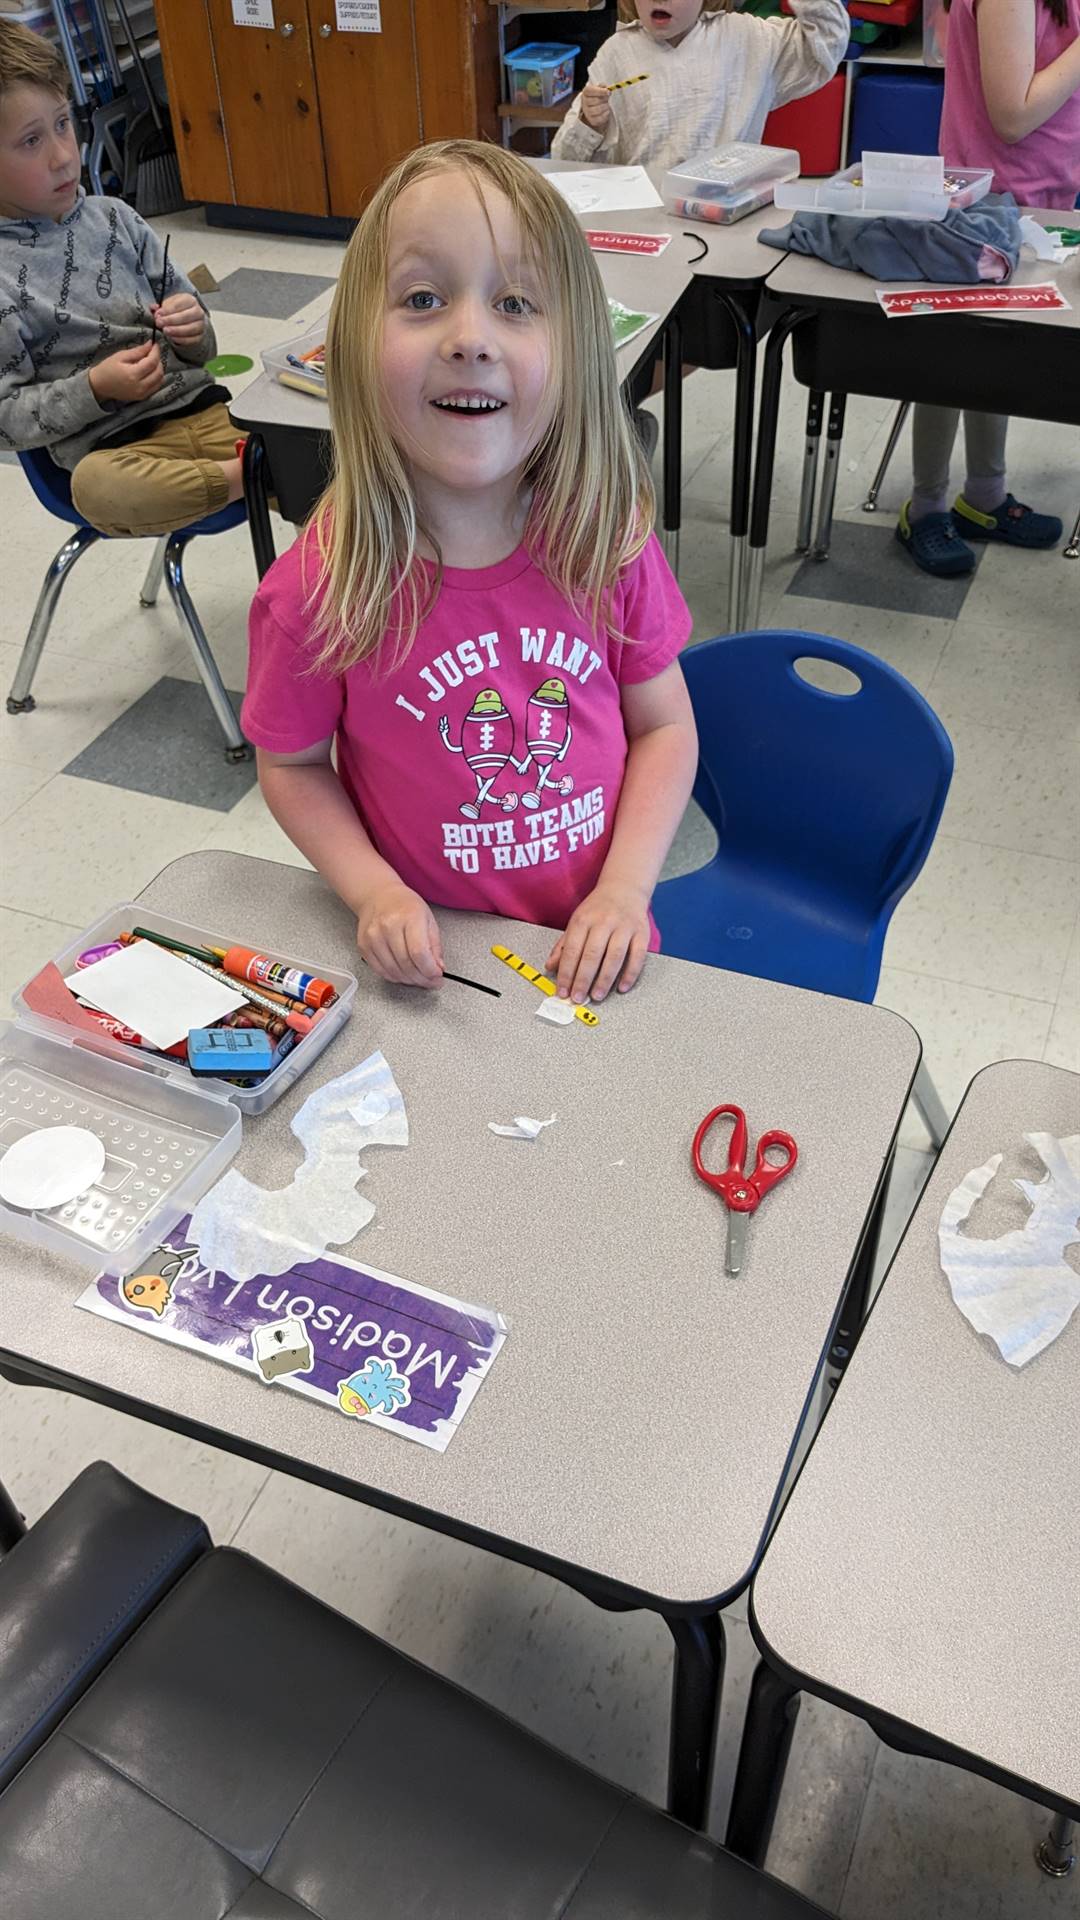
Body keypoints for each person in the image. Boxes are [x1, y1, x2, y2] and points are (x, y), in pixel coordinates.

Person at [243, 140, 698, 1007]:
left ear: (573, 350)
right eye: (422, 298)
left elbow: (666, 730)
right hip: (442, 974)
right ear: (353, 346)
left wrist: (627, 891)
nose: (469, 339)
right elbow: (293, 766)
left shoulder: (606, 538)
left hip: (601, 948)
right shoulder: (316, 589)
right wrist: (372, 892)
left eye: (516, 303)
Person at [0, 19, 242, 536]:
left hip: (207, 414)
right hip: (119, 453)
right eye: (30, 141)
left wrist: (194, 326)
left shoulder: (118, 220)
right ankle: (255, 474)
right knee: (99, 488)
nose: (64, 155)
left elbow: (204, 350)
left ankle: (259, 473)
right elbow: (7, 419)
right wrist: (95, 388)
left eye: (63, 124)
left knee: (340, 444)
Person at [897, 0, 1080, 575]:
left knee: (992, 356)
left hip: (1038, 198)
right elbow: (1012, 114)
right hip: (992, 206)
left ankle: (984, 497)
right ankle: (925, 508)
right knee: (952, 362)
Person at [551, 0, 850, 171]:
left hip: (728, 210)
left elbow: (828, 41)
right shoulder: (617, 51)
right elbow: (564, 160)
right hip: (645, 216)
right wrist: (588, 123)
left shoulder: (747, 37)